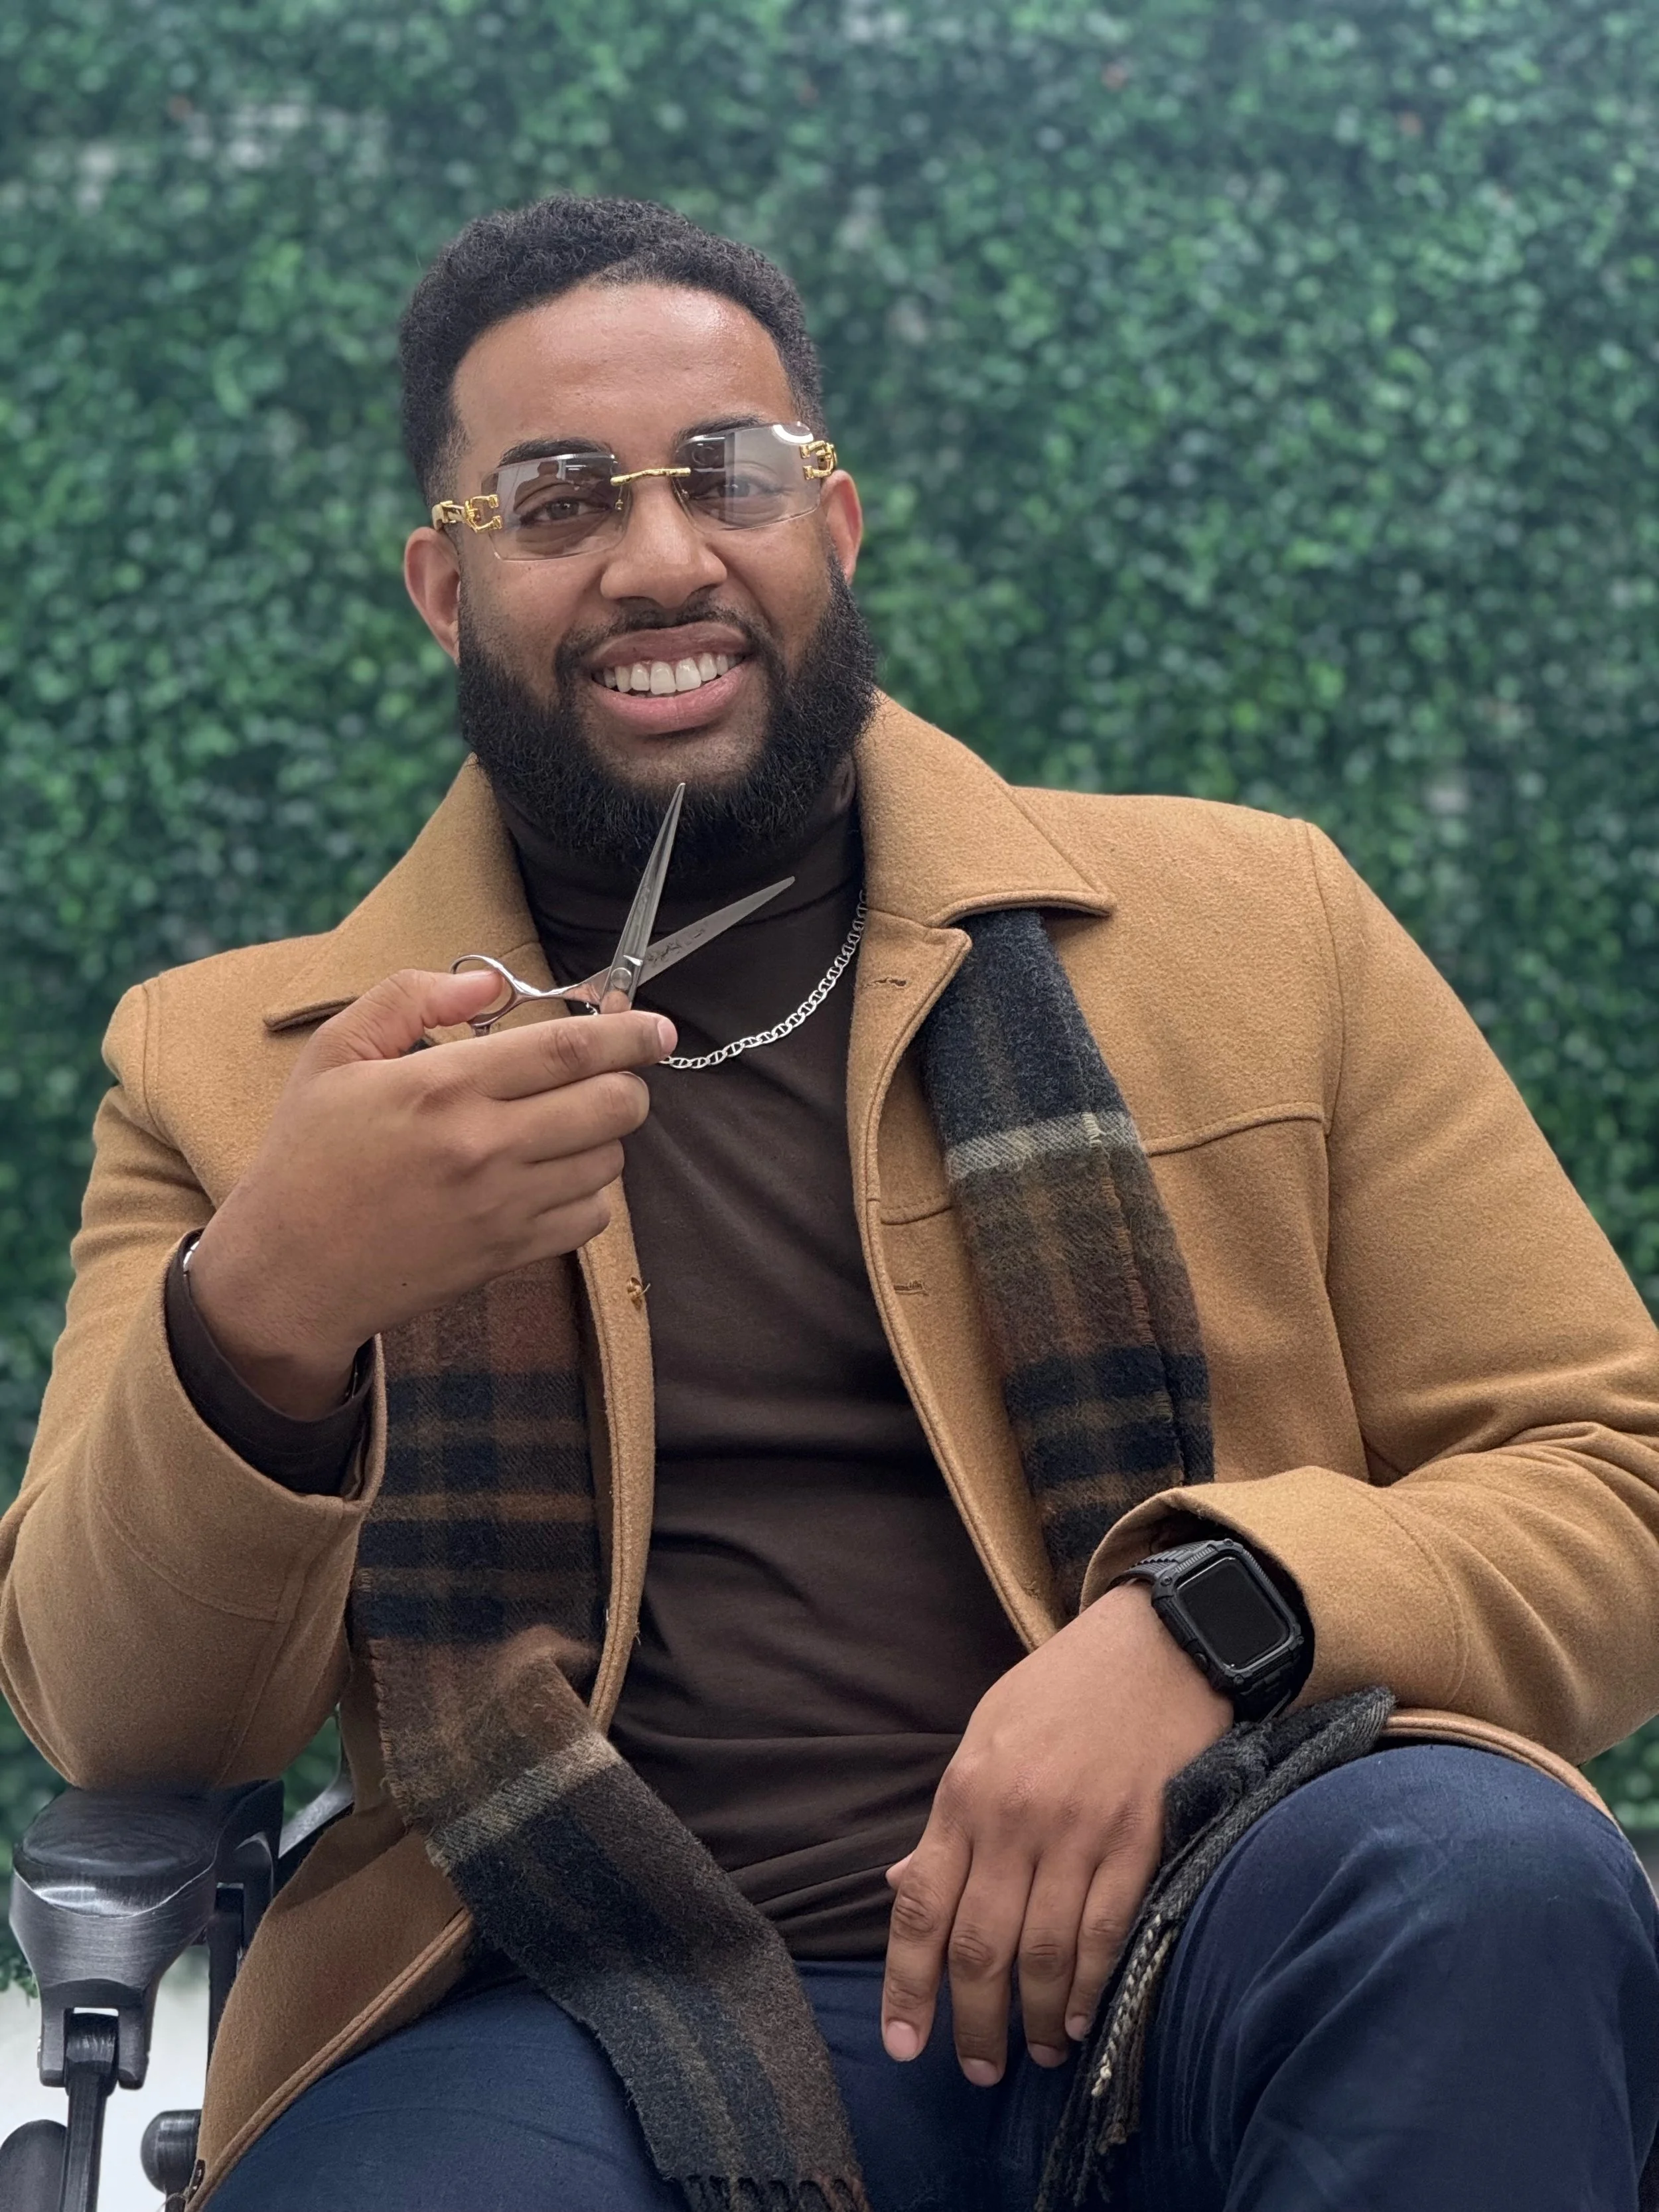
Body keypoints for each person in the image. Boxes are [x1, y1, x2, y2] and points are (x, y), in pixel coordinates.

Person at [3, 193, 1658, 2212]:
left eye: (732, 476)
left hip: (1209, 1917)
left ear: (835, 525)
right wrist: (269, 1293)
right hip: (559, 2007)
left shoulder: (1256, 927)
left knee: (1487, 1877)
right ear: (446, 584)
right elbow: (116, 1710)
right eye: (557, 501)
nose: (663, 557)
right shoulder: (237, 1068)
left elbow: (1611, 1467)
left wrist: (1203, 1626)